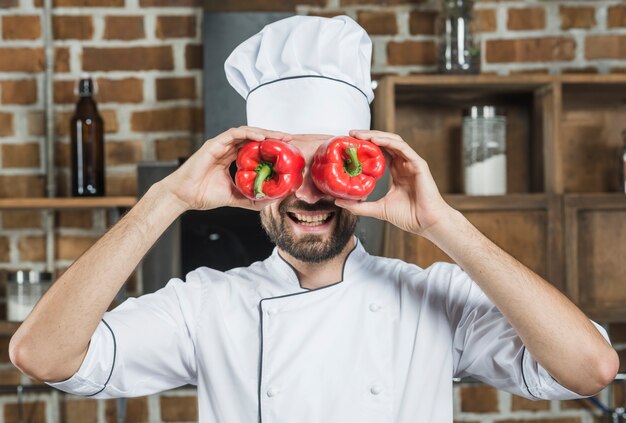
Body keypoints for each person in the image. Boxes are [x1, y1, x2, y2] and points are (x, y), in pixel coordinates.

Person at [9, 15, 618, 423]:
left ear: (364, 168)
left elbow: (590, 368)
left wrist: (441, 223)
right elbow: (44, 356)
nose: (307, 193)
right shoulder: (206, 306)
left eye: (327, 165)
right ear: (251, 176)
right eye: (281, 166)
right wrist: (165, 198)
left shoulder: (436, 299)